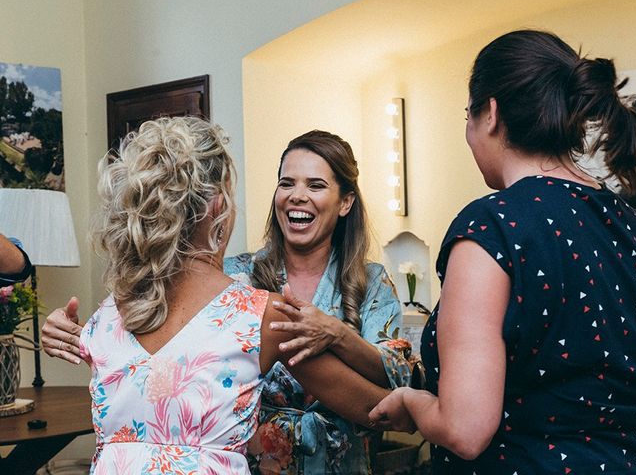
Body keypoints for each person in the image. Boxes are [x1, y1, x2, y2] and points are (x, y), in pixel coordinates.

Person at [43, 129, 411, 473]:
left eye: (315, 185)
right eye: (286, 183)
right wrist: (430, 413)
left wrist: (340, 335)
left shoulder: (109, 314)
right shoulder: (255, 304)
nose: (298, 195)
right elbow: (378, 409)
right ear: (218, 206)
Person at [369, 29, 636, 474]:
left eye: (467, 115)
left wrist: (413, 401)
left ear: (490, 113)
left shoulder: (494, 227)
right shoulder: (629, 223)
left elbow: (465, 429)